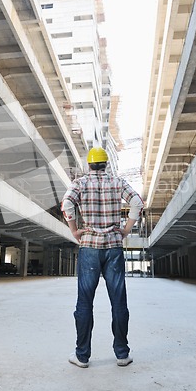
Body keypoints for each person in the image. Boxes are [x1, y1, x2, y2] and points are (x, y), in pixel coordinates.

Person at [61, 147, 144, 368]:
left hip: (89, 247)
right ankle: (122, 354)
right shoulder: (118, 182)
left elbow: (66, 204)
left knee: (84, 302)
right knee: (118, 302)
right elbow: (137, 202)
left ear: (89, 164)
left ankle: (82, 356)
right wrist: (126, 229)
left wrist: (74, 229)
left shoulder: (80, 183)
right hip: (114, 248)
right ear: (106, 164)